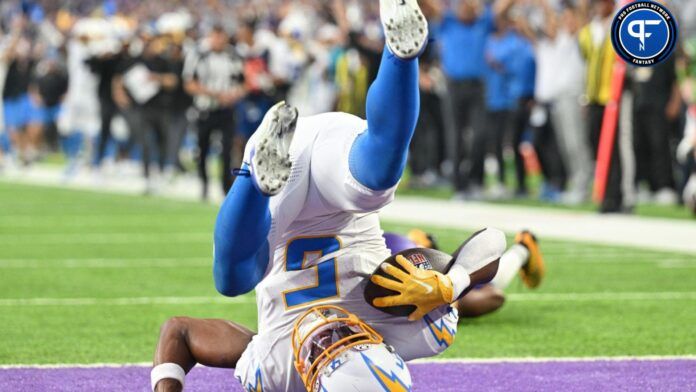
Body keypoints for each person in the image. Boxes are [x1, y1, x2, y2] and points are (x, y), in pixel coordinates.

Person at [150, 1, 518, 390]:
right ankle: (401, 54)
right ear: (383, 348)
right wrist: (451, 284)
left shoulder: (276, 369)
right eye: (355, 341)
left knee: (233, 276)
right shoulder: (419, 332)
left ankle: (255, 181)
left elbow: (181, 331)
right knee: (373, 184)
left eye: (327, 350)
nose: (335, 334)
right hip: (340, 196)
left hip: (278, 214)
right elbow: (492, 241)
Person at [422, 0, 514, 199]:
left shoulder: (483, 22)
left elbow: (503, 7)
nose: (466, 9)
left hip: (477, 86)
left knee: (480, 134)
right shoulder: (448, 21)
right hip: (453, 86)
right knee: (455, 136)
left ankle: (476, 181)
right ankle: (459, 187)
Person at [384, 228, 544, 318]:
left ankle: (523, 248)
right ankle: (424, 244)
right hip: (393, 250)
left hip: (406, 262)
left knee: (476, 286)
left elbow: (495, 296)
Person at [183, 24, 246, 199]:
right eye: (215, 36)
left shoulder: (233, 55)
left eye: (222, 37)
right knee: (202, 148)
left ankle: (226, 188)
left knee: (227, 149)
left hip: (226, 110)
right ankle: (203, 184)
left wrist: (234, 95)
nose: (219, 41)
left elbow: (243, 83)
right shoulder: (198, 54)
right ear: (210, 36)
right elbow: (189, 84)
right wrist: (215, 94)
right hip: (205, 108)